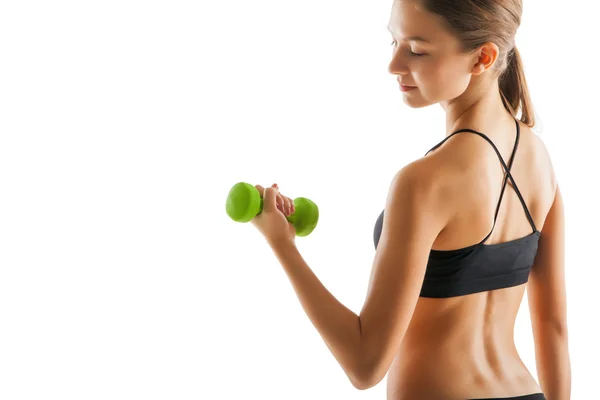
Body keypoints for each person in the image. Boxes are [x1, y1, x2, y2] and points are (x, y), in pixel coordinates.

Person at [250, 0, 571, 399]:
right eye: (394, 41)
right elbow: (554, 328)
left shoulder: (422, 183)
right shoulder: (538, 157)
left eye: (417, 49)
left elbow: (364, 365)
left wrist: (283, 246)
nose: (394, 64)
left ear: (483, 58)